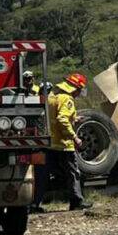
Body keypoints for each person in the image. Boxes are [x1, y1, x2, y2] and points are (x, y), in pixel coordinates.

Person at [33, 72, 91, 213]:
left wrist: (74, 119)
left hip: (48, 143)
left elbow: (54, 117)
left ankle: (33, 205)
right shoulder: (67, 99)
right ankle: (77, 202)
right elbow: (62, 119)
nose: (78, 93)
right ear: (75, 88)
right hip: (63, 145)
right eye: (79, 90)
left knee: (41, 176)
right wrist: (74, 137)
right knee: (73, 174)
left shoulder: (53, 96)